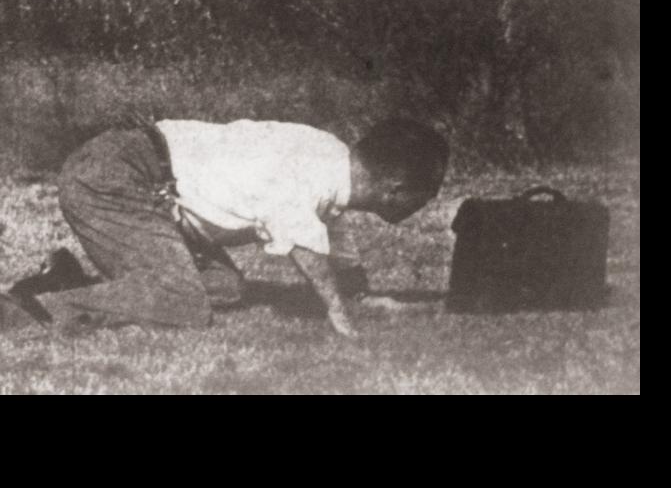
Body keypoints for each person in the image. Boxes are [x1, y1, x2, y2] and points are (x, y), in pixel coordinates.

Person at [0, 117, 449, 338]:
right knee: (183, 303)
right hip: (117, 176)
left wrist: (363, 293)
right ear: (395, 188)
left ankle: (66, 278)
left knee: (225, 287)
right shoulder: (317, 175)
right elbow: (304, 243)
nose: (427, 201)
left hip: (143, 181)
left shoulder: (333, 161)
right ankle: (29, 306)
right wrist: (338, 313)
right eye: (425, 193)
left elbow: (326, 235)